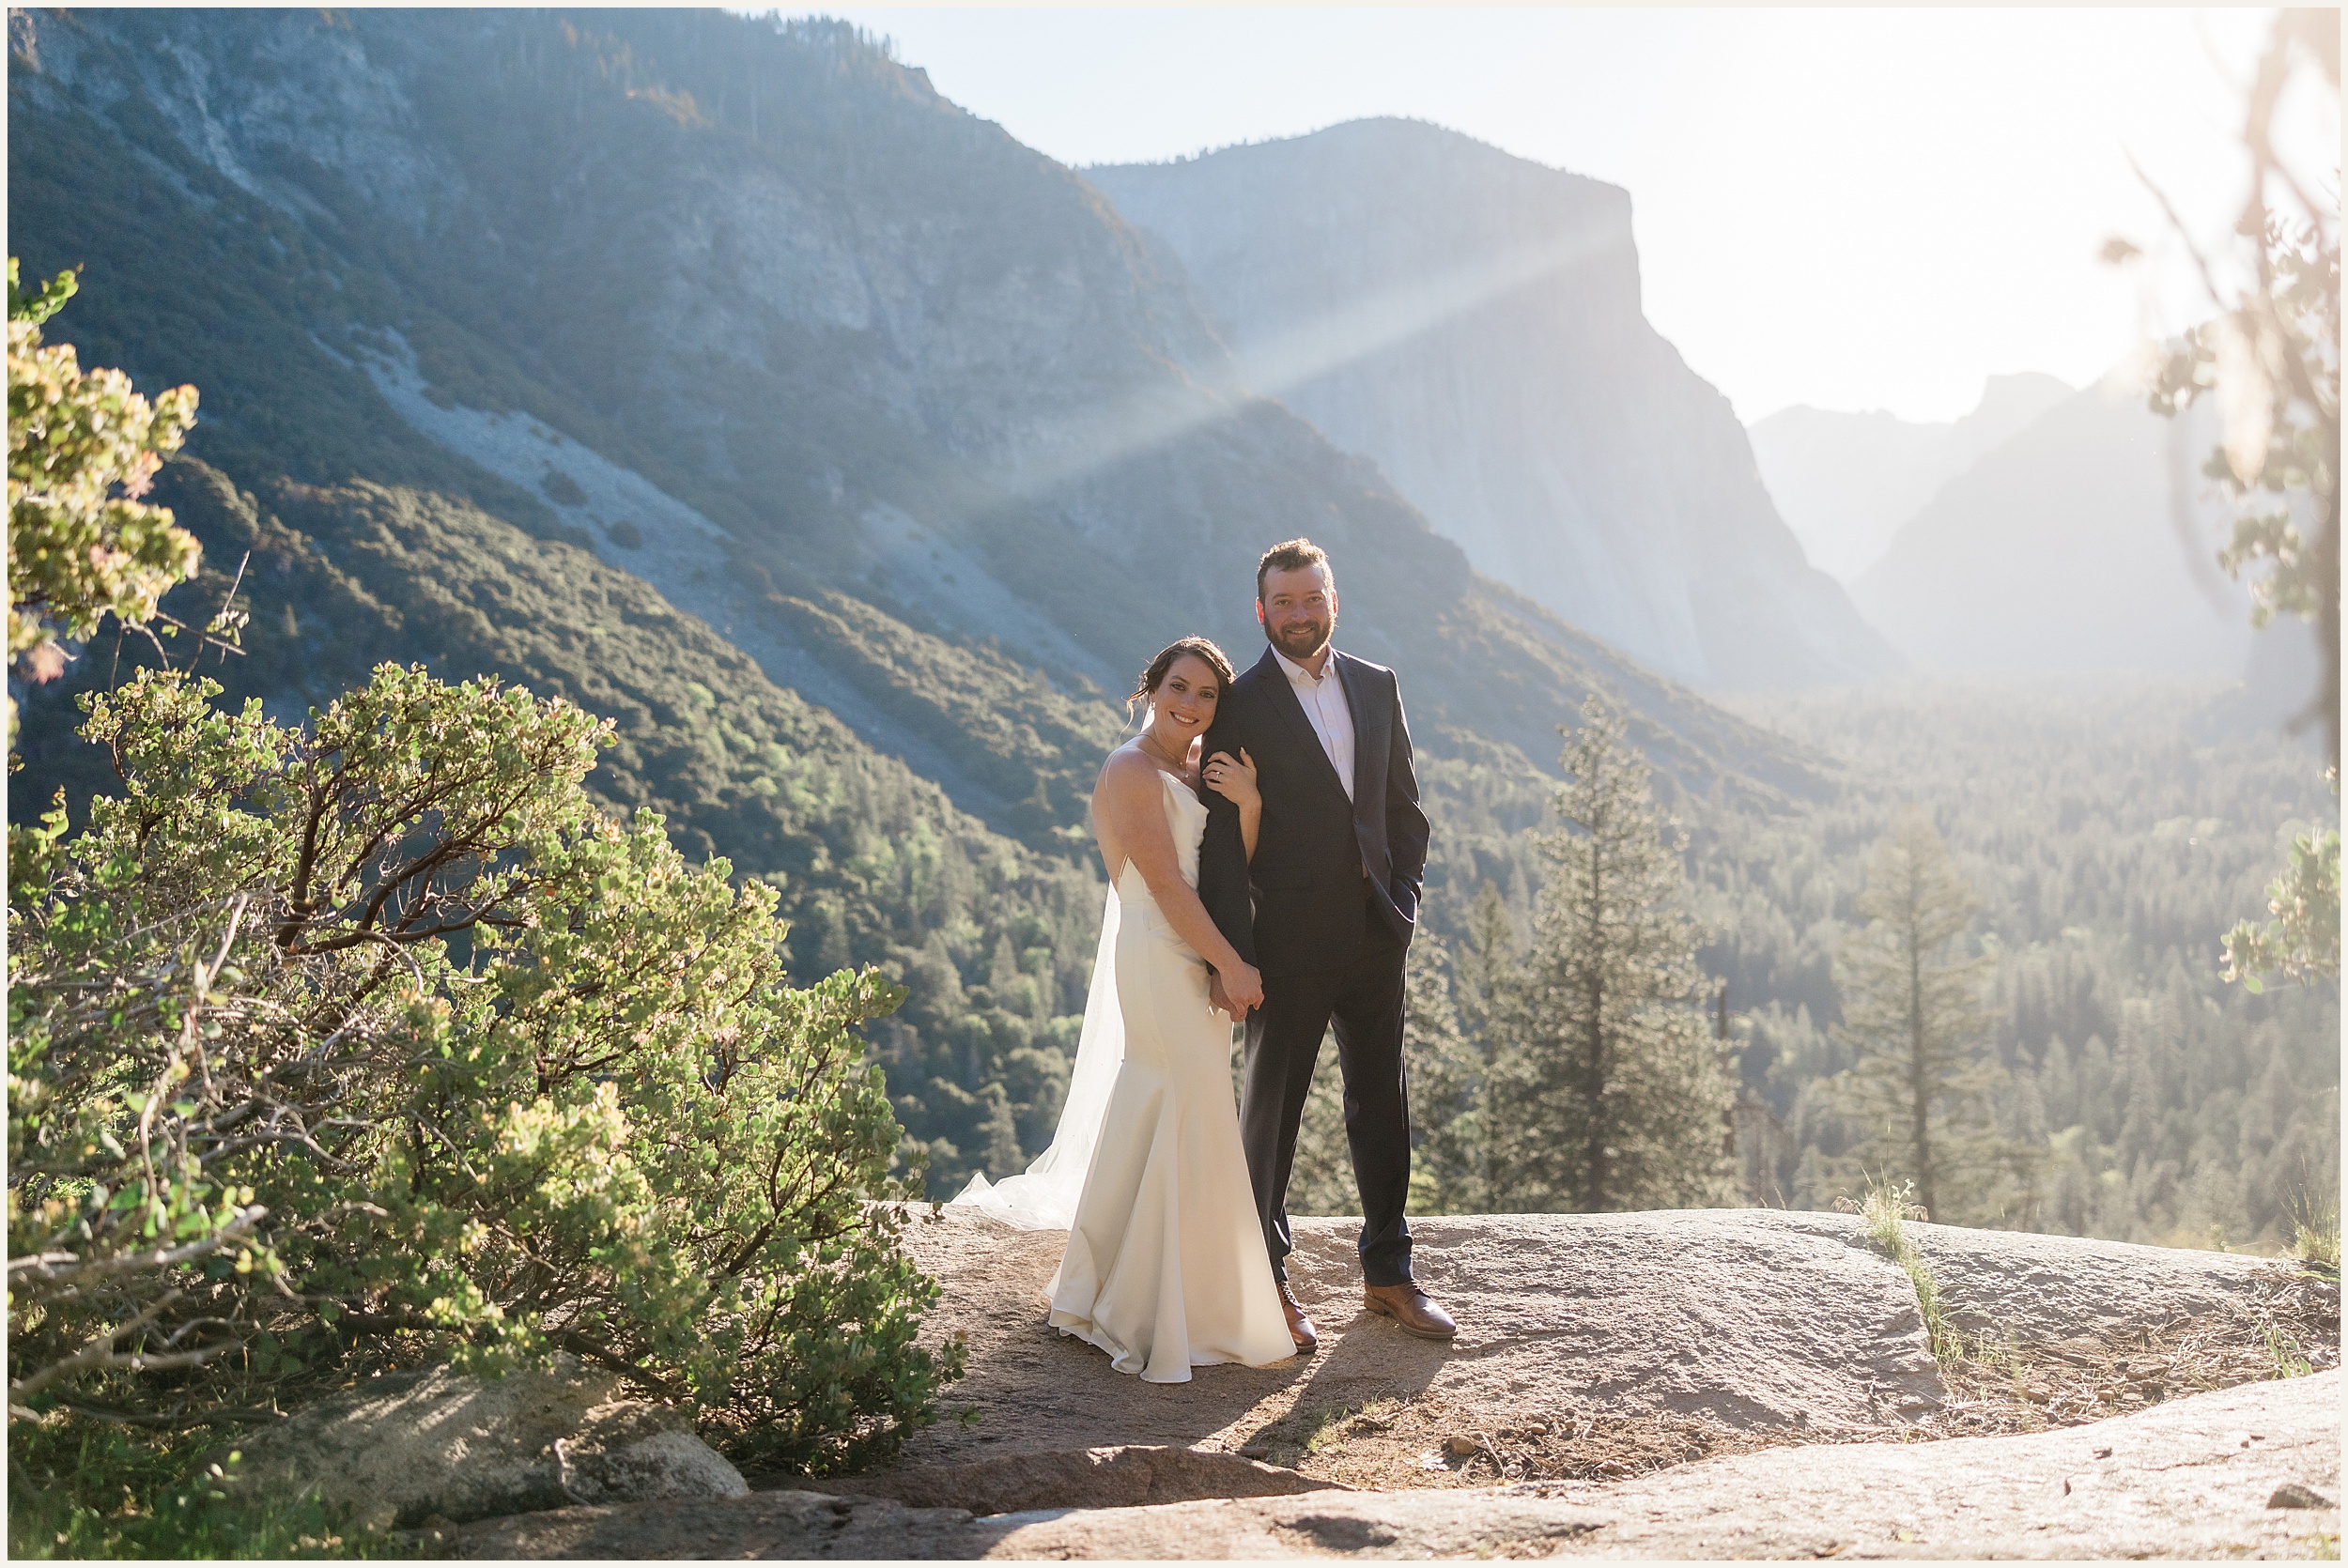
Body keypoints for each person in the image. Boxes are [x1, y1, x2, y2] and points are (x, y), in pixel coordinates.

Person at [950, 638, 1294, 1381]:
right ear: (1151, 687)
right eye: (1179, 687)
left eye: (1207, 695)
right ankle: (1146, 1308)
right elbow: (1168, 885)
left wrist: (1251, 802)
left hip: (1192, 946)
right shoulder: (1132, 770)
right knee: (1180, 1096)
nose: (1191, 705)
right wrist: (1230, 963)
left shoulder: (1196, 767)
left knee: (1173, 1102)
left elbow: (1229, 863)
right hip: (1157, 947)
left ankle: (1142, 1289)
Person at [1195, 538, 1455, 1351]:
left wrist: (1402, 902)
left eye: (1313, 598)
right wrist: (1232, 957)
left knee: (1384, 1106)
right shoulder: (1238, 702)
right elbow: (1221, 845)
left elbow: (1402, 810)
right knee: (1271, 1117)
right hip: (1285, 947)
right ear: (1261, 610)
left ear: (1332, 599)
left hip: (1377, 937)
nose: (1300, 614)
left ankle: (1388, 1273)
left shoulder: (1377, 686)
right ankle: (1264, 1281)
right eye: (1285, 602)